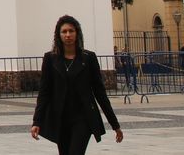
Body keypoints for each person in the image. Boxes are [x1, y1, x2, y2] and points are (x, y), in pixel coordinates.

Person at [31, 15, 123, 154]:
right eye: (64, 31)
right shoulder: (50, 59)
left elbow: (100, 93)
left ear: (77, 33)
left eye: (71, 31)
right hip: (60, 117)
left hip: (83, 117)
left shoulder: (88, 58)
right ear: (58, 35)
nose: (68, 35)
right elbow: (44, 92)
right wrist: (37, 121)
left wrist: (115, 125)